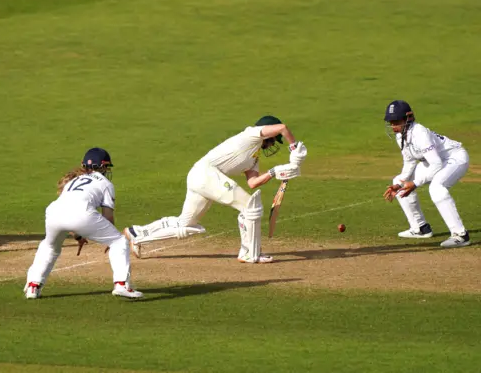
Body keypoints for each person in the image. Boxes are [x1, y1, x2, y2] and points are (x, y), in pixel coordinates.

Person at [123, 116, 307, 263]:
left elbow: (253, 183)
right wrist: (293, 147)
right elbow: (283, 127)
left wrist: (275, 172)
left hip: (202, 177)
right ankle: (249, 253)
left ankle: (137, 234)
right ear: (268, 134)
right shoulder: (251, 134)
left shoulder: (254, 156)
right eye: (274, 140)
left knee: (185, 225)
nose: (273, 144)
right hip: (206, 174)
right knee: (250, 207)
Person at [24, 147, 143, 299]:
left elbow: (68, 214)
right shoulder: (106, 184)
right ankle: (121, 285)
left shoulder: (73, 180)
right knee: (119, 242)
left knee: (49, 246)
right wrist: (109, 239)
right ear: (103, 166)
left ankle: (33, 287)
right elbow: (107, 216)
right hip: (82, 214)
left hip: (53, 212)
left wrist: (78, 237)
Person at [382, 100, 470, 248]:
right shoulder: (401, 136)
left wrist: (415, 184)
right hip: (436, 161)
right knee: (398, 179)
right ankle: (420, 228)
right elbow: (409, 161)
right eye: (391, 122)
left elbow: (436, 164)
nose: (393, 126)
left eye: (396, 121)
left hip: (454, 158)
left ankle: (461, 235)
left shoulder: (420, 133)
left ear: (408, 118)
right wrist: (399, 184)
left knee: (437, 188)